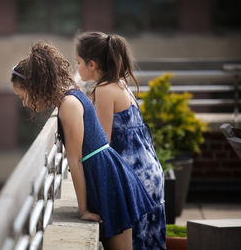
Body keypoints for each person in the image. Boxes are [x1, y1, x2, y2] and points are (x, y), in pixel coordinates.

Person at [11, 41, 156, 250]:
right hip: (103, 174)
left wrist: (83, 210)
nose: (24, 103)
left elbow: (75, 160)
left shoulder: (68, 105)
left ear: (37, 86)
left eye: (22, 96)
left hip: (106, 178)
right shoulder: (70, 96)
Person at [75, 31, 166, 249]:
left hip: (135, 179)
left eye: (78, 62)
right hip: (149, 172)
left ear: (92, 64)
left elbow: (102, 143)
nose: (76, 68)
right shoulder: (120, 84)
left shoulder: (104, 90)